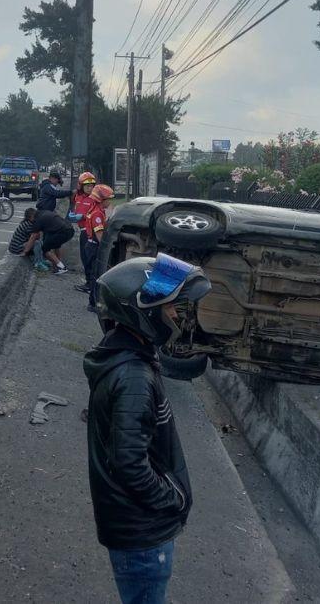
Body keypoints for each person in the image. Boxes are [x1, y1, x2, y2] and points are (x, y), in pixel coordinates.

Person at [84, 253, 212, 604]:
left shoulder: (124, 358)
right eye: (169, 308)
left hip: (134, 528)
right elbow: (129, 463)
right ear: (144, 314)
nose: (176, 315)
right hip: (142, 534)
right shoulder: (134, 378)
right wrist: (170, 501)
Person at [83, 184, 114, 312]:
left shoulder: (95, 210)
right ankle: (93, 304)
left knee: (95, 275)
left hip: (91, 246)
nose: (110, 201)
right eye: (108, 199)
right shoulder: (97, 215)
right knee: (96, 276)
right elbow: (100, 237)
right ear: (101, 200)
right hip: (95, 247)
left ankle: (94, 302)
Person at [72, 172, 97, 293]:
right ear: (81, 186)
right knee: (84, 257)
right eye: (86, 185)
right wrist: (73, 215)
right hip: (82, 231)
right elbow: (75, 209)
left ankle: (90, 285)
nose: (89, 188)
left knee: (88, 258)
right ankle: (89, 282)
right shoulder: (78, 197)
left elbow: (97, 215)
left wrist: (83, 216)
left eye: (92, 185)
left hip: (89, 232)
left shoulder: (95, 199)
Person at [30, 209, 74, 274]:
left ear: (31, 216)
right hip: (70, 229)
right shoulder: (45, 212)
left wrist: (25, 251)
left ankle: (62, 267)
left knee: (45, 249)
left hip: (62, 232)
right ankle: (57, 266)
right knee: (56, 246)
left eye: (30, 220)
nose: (31, 221)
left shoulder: (39, 219)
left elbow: (33, 236)